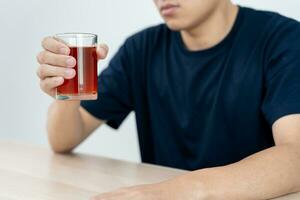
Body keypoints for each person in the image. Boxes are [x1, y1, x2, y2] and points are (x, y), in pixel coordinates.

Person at [36, 0, 300, 199]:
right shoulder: (141, 49)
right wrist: (66, 91)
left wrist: (172, 192)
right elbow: (63, 139)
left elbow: (296, 156)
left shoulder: (283, 40)